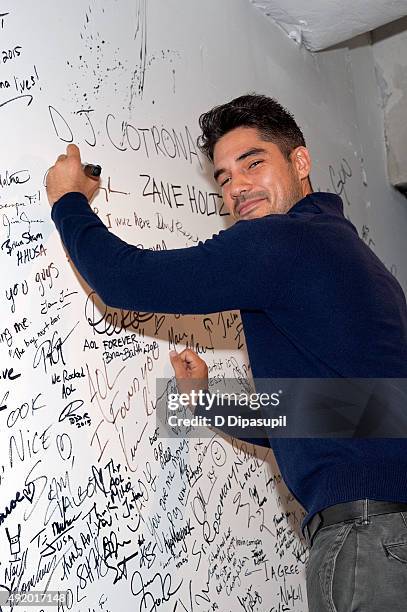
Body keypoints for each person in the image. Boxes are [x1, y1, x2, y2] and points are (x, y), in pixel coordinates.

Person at [47, 94, 407, 610]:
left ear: (300, 162)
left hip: (368, 540)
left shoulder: (282, 243)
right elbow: (325, 415)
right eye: (222, 177)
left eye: (253, 163)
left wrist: (68, 201)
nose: (236, 187)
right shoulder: (354, 258)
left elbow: (127, 280)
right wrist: (207, 401)